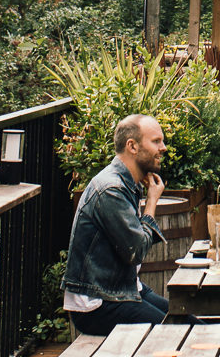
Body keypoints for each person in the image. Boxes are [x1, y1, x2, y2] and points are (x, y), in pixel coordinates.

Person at [62, 113, 172, 336]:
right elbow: (137, 251)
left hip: (120, 290)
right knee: (175, 335)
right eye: (156, 141)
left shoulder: (125, 182)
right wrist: (152, 202)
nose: (164, 148)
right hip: (98, 304)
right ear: (132, 146)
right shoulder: (112, 189)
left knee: (187, 322)